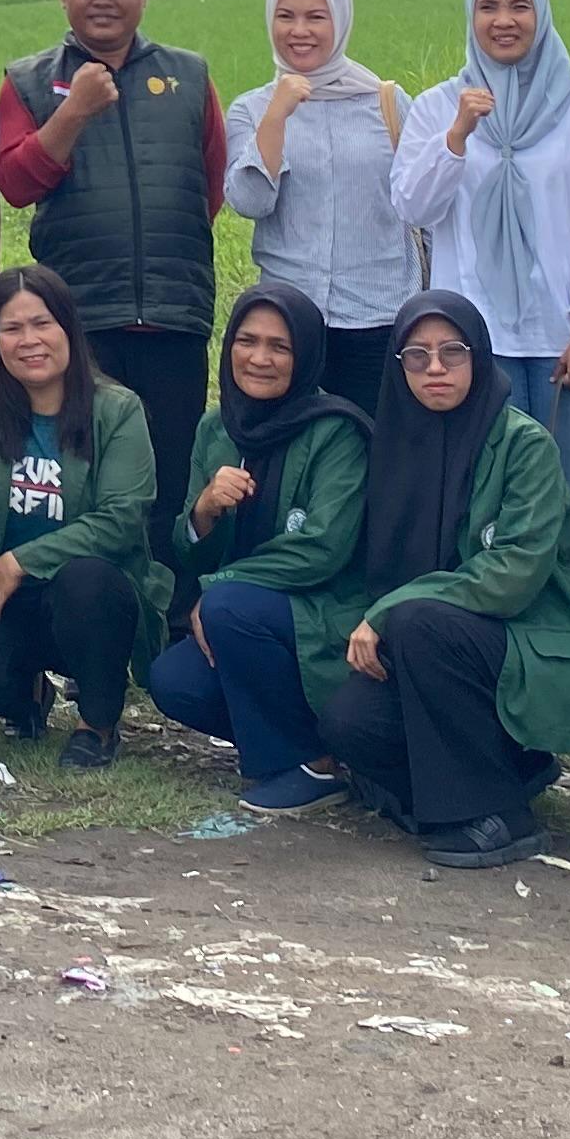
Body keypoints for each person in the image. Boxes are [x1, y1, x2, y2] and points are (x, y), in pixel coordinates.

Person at [317, 291, 570, 868]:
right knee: (347, 722)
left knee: (418, 621)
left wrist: (388, 613)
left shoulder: (524, 445)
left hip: (528, 641)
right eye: (417, 355)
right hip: (434, 653)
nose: (435, 369)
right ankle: (492, 781)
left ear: (479, 358)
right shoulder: (392, 445)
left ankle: (501, 817)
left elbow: (511, 576)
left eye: (452, 352)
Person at [0, 0, 227, 530]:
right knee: (83, 477)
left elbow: (211, 185)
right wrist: (73, 113)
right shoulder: (29, 80)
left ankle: (169, 608)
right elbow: (15, 182)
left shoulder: (189, 76)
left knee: (171, 471)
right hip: (79, 319)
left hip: (174, 313)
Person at [390, 0, 570, 555]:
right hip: (477, 339)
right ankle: (506, 634)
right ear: (471, 18)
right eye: (488, 7)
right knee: (490, 494)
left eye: (519, 6)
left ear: (540, 16)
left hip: (565, 338)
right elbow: (414, 206)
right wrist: (458, 134)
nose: (503, 20)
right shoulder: (439, 106)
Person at [0, 263, 161, 767]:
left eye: (42, 324)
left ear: (68, 328)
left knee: (87, 581)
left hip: (84, 596)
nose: (28, 341)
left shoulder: (117, 409)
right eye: (12, 328)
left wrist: (22, 560)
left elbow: (121, 519)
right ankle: (26, 696)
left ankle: (97, 723)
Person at [148, 283, 371, 810]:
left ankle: (310, 768)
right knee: (173, 680)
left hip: (324, 615)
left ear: (307, 355)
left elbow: (325, 548)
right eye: (247, 342)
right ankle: (311, 744)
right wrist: (204, 511)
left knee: (226, 607)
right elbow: (190, 551)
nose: (260, 359)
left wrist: (220, 586)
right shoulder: (215, 428)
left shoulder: (337, 430)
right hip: (246, 620)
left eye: (280, 347)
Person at [222, 0, 414, 415]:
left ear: (341, 21)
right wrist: (277, 114)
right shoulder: (251, 109)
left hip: (379, 313)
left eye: (316, 17)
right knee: (289, 457)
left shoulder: (386, 102)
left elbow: (422, 205)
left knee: (375, 450)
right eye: (286, 16)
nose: (299, 31)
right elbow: (250, 201)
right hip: (289, 322)